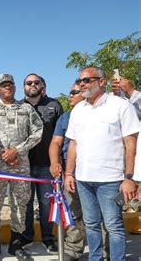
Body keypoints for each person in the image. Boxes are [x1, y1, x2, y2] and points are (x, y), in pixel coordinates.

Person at [64, 66, 139, 260]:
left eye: (86, 80)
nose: (82, 84)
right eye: (80, 81)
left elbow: (131, 145)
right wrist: (69, 174)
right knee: (91, 224)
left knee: (114, 226)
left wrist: (129, 178)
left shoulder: (120, 105)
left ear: (102, 82)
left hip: (111, 180)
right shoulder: (78, 110)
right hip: (83, 180)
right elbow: (73, 144)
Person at [0, 74, 43, 260]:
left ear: (15, 87)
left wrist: (17, 151)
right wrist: (5, 155)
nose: (7, 87)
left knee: (21, 205)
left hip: (20, 166)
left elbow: (37, 132)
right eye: (3, 85)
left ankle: (16, 245)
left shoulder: (26, 108)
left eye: (10, 84)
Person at [21, 73, 64, 254]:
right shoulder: (18, 107)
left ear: (42, 85)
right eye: (29, 83)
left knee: (47, 204)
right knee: (26, 202)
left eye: (36, 82)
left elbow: (62, 135)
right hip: (23, 165)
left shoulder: (54, 105)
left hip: (48, 166)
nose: (32, 85)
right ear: (24, 87)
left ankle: (48, 238)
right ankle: (27, 236)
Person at [48, 83, 85, 260]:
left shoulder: (99, 112)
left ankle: (103, 251)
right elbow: (56, 143)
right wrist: (55, 163)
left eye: (73, 92)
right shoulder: (65, 118)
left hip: (97, 173)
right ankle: (73, 250)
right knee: (72, 213)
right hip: (71, 174)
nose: (70, 96)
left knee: (100, 216)